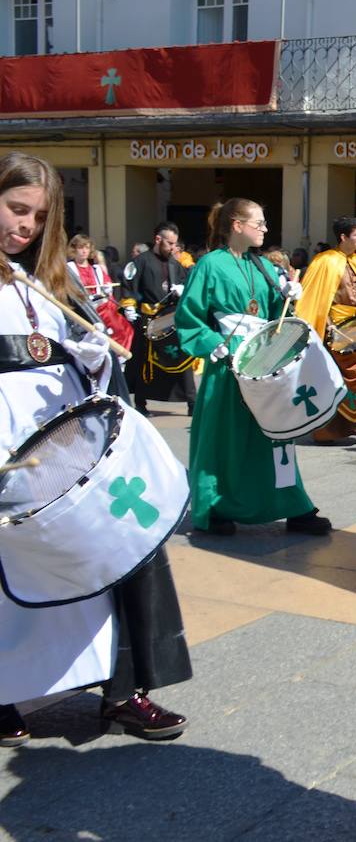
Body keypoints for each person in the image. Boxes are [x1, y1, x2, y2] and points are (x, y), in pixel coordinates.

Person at [1, 152, 191, 748]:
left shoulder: (48, 279)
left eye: (38, 216)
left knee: (110, 545)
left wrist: (97, 356)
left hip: (62, 439)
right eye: (15, 208)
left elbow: (78, 348)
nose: (25, 226)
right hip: (7, 442)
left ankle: (122, 690)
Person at [174, 199, 331, 537]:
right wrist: (210, 343)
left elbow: (277, 315)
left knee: (277, 434)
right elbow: (189, 316)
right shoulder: (209, 265)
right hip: (228, 359)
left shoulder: (260, 265)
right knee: (224, 438)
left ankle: (293, 505)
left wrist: (287, 295)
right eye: (258, 223)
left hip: (264, 357)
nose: (264, 229)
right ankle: (215, 506)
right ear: (236, 225)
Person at [296, 216, 356, 442]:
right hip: (333, 330)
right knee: (332, 379)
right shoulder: (324, 261)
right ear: (343, 237)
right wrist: (328, 327)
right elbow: (316, 300)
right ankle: (328, 431)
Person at [119, 221, 196, 415]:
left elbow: (186, 283)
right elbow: (129, 286)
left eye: (174, 244)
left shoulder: (174, 264)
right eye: (169, 243)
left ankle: (192, 402)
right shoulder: (140, 261)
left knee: (182, 357)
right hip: (148, 318)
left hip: (170, 317)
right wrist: (129, 306)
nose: (172, 248)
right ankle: (141, 402)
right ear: (158, 239)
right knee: (144, 360)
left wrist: (182, 291)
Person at [67, 234, 134, 351]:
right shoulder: (68, 269)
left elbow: (107, 290)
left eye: (87, 248)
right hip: (82, 310)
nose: (84, 251)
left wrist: (107, 290)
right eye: (81, 247)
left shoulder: (96, 269)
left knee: (124, 329)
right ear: (74, 249)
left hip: (102, 309)